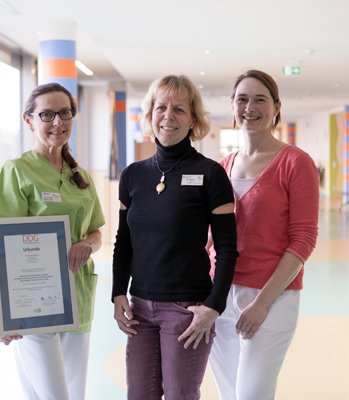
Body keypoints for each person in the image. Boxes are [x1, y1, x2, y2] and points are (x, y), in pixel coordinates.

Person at [112, 74, 239, 400]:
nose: (169, 116)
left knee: (181, 395)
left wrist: (214, 306)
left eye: (180, 109)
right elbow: (124, 240)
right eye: (161, 107)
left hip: (187, 309)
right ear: (150, 115)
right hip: (139, 308)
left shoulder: (212, 174)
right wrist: (117, 293)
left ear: (193, 119)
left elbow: (227, 248)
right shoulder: (132, 175)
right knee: (139, 394)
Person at [0, 82, 105, 400]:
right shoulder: (16, 171)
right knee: (55, 395)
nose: (58, 122)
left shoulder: (81, 176)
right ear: (29, 120)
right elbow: (3, 245)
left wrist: (88, 246)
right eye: (47, 114)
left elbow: (95, 232)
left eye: (65, 113)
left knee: (71, 392)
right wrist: (5, 308)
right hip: (34, 298)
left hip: (78, 296)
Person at [208, 70, 319, 400]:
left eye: (260, 99)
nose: (250, 107)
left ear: (276, 107)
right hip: (219, 294)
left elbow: (303, 240)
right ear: (232, 106)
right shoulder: (223, 166)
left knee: (251, 394)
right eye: (242, 99)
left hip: (271, 297)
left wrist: (261, 304)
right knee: (230, 394)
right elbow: (209, 236)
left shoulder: (295, 163)